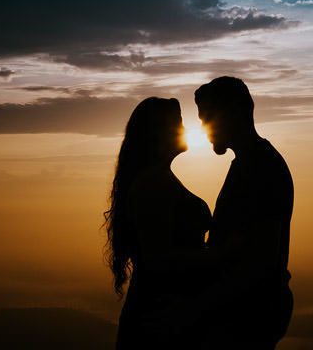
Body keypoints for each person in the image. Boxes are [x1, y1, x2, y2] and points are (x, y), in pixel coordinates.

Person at [105, 97, 214, 349]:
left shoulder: (158, 179)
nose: (185, 129)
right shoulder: (152, 184)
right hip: (158, 318)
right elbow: (158, 259)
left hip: (164, 313)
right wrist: (223, 255)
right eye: (178, 123)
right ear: (158, 132)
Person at [195, 76, 294, 349]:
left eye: (208, 118)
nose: (203, 128)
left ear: (234, 113)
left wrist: (197, 309)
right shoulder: (250, 162)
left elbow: (261, 260)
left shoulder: (262, 167)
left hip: (248, 318)